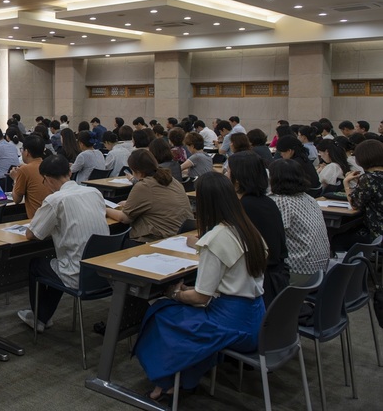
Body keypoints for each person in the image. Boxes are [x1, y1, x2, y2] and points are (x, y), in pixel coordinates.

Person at [134, 172, 267, 402]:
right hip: (257, 318)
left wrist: (174, 293)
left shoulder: (216, 239)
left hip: (231, 324)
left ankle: (166, 384)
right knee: (178, 312)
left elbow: (200, 298)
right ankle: (185, 379)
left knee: (162, 314)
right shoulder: (249, 229)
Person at [17, 154, 109, 332]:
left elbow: (31, 234)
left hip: (77, 274)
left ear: (47, 179)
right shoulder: (94, 192)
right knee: (55, 263)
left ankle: (38, 317)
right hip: (103, 272)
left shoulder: (55, 199)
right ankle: (44, 316)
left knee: (37, 264)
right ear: (69, 171)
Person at [227, 151, 290, 307]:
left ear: (237, 180)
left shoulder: (245, 207)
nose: (226, 175)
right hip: (276, 280)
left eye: (228, 171)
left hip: (259, 286)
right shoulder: (267, 202)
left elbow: (228, 249)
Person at [107, 149, 191, 244]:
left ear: (137, 171)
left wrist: (103, 208)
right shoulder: (172, 180)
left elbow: (124, 218)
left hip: (158, 239)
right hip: (180, 235)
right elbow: (158, 202)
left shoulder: (144, 186)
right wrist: (129, 203)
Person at [268, 159, 330, 284]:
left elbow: (273, 239)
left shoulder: (280, 202)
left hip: (298, 271)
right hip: (321, 269)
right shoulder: (310, 198)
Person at [339, 139, 383, 249]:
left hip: (377, 234)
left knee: (338, 239)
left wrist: (346, 183)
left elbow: (354, 204)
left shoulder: (369, 178)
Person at [9, 135, 53, 219]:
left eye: (22, 150)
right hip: (50, 217)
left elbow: (16, 200)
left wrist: (15, 179)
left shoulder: (24, 170)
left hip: (35, 220)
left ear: (27, 152)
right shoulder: (49, 165)